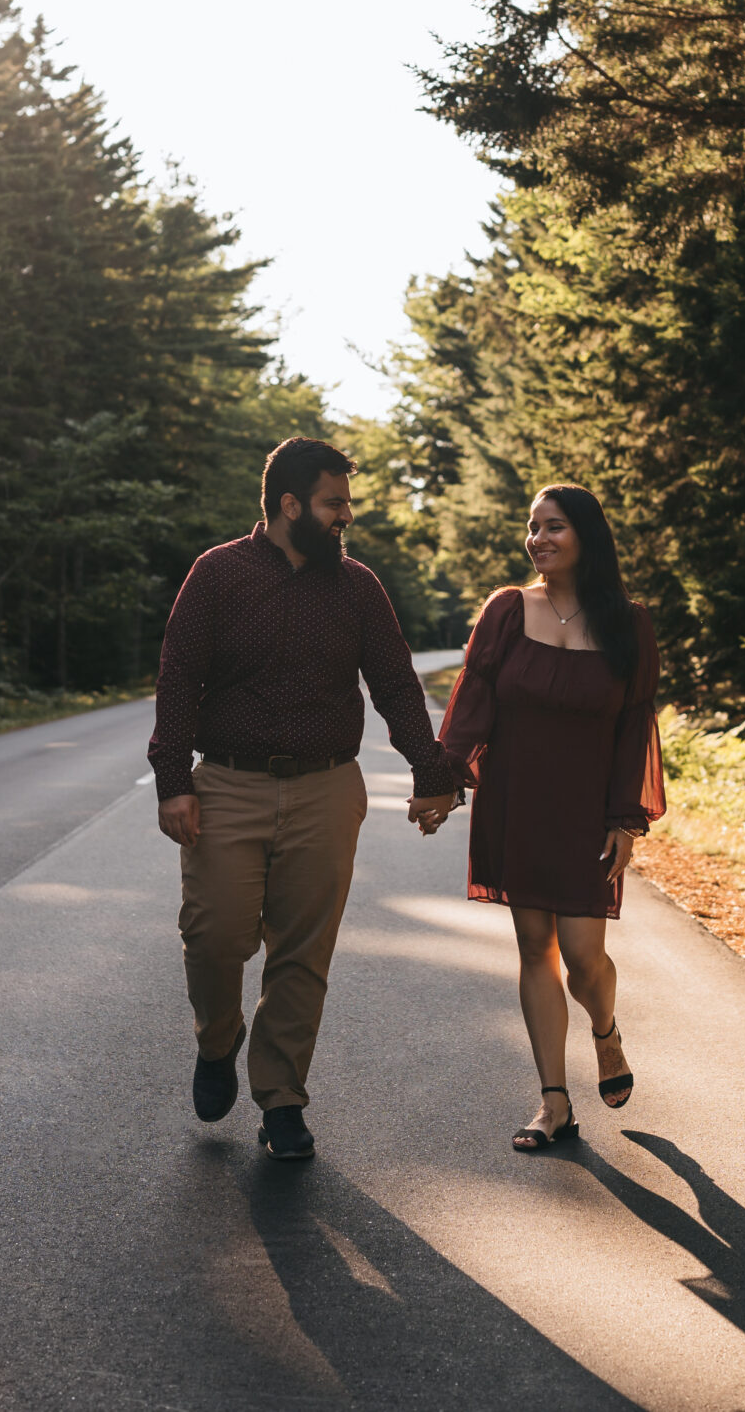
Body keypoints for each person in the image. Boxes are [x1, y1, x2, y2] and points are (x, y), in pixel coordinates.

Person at [149, 437, 461, 1161]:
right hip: (227, 783)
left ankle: (282, 1098)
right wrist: (173, 782)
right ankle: (217, 1037)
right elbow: (178, 679)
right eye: (335, 503)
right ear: (291, 505)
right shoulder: (218, 574)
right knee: (215, 934)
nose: (347, 516)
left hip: (327, 786)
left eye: (346, 502)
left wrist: (430, 769)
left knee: (302, 950)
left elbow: (394, 683)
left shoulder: (358, 587)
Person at [434, 483, 665, 1153]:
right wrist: (446, 780)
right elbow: (473, 699)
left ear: (587, 535)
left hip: (587, 811)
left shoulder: (629, 623)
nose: (537, 538)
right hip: (516, 802)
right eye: (531, 526)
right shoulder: (507, 611)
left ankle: (607, 1029)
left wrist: (625, 817)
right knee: (535, 947)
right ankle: (554, 1101)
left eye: (553, 526)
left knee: (585, 960)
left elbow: (633, 726)